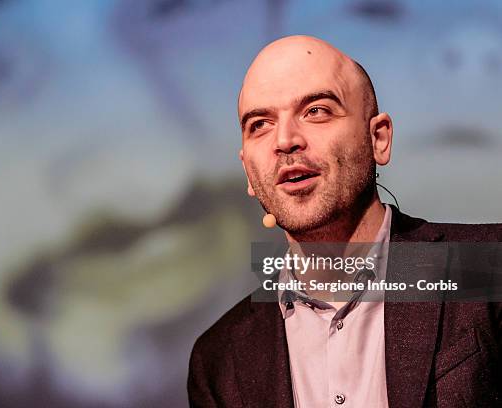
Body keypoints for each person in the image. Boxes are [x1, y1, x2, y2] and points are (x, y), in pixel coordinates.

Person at [187, 35, 502, 408]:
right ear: (248, 173)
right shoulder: (220, 359)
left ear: (378, 139)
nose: (285, 140)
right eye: (260, 124)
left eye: (316, 110)